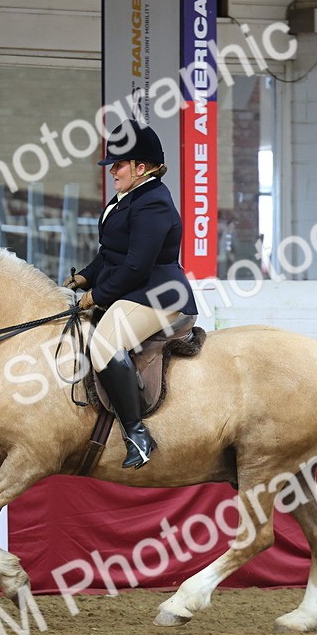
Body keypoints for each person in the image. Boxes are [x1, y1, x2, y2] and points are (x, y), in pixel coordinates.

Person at [64, 119, 199, 469]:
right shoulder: (128, 198)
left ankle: (137, 434)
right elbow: (110, 253)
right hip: (133, 292)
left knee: (104, 345)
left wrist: (96, 296)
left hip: (159, 297)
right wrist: (84, 279)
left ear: (141, 168)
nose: (112, 171)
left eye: (118, 165)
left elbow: (137, 267)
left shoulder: (152, 203)